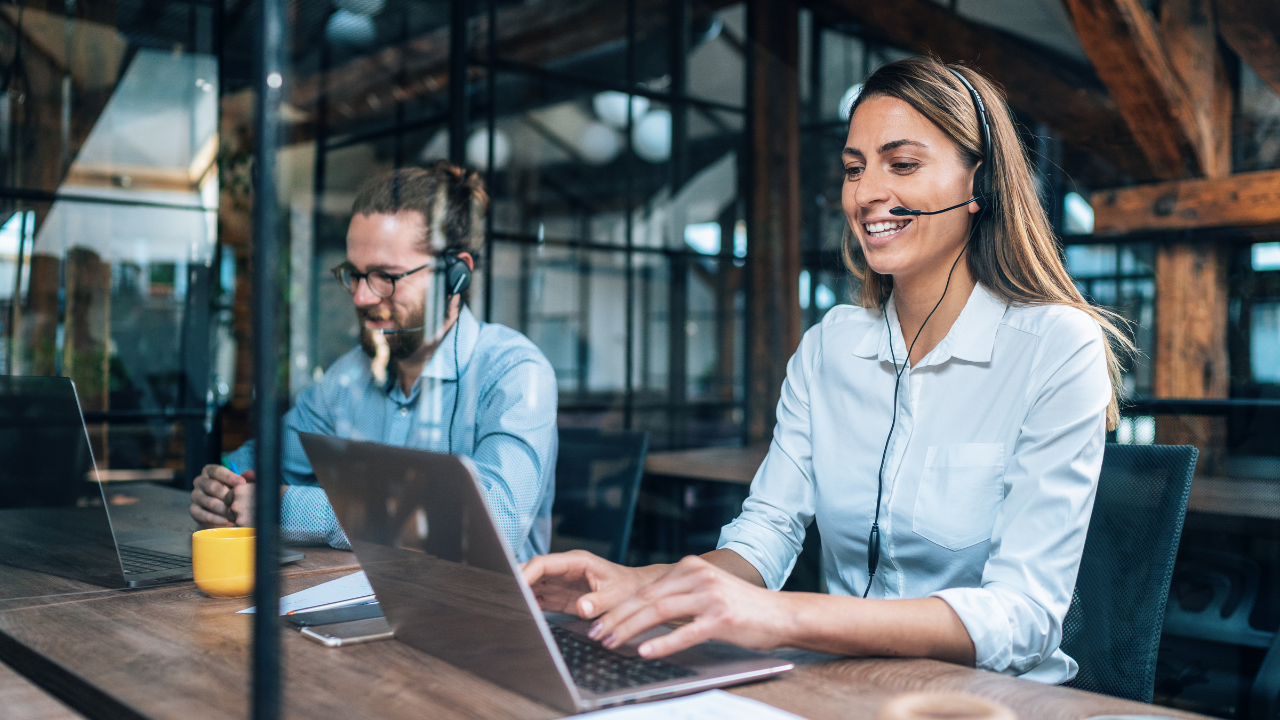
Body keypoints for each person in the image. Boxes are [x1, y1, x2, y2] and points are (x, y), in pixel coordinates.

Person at [522, 56, 1132, 682]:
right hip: (844, 685)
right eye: (853, 168)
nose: (867, 192)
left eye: (903, 164)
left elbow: (1023, 616)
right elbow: (765, 534)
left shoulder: (1056, 345)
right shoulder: (830, 348)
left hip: (984, 700)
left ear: (981, 186)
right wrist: (641, 587)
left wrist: (782, 618)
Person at [190, 162, 559, 561]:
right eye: (355, 274)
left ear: (456, 276)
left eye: (387, 276)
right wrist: (221, 486)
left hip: (484, 615)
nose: (362, 297)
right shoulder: (347, 376)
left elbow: (493, 525)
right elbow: (261, 463)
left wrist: (290, 509)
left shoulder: (514, 373)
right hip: (362, 603)